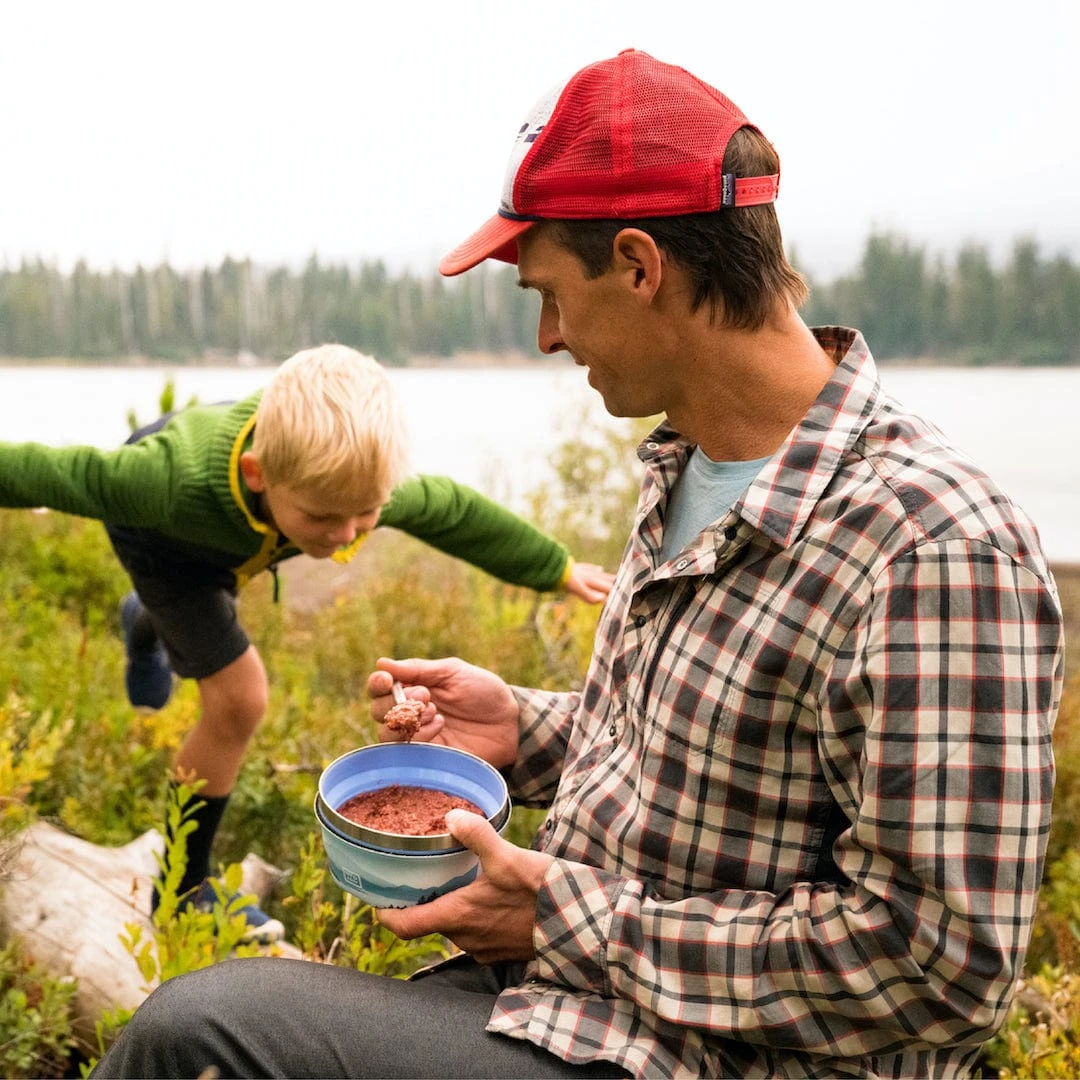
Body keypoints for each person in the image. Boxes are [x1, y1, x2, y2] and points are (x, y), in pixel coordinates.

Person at [92, 48, 1064, 1078]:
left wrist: (564, 915)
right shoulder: (693, 468)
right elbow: (710, 778)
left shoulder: (934, 546)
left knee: (195, 1035)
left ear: (642, 267)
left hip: (695, 1055)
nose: (548, 335)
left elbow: (940, 967)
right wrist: (527, 730)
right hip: (570, 1008)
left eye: (549, 292)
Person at [0, 342, 613, 940]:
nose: (344, 535)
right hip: (164, 543)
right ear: (258, 475)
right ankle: (180, 885)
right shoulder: (157, 481)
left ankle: (144, 619)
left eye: (365, 515)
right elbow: (49, 473)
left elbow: (455, 513)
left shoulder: (344, 482)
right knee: (240, 699)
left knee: (209, 610)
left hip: (240, 544)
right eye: (322, 518)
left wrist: (556, 568)